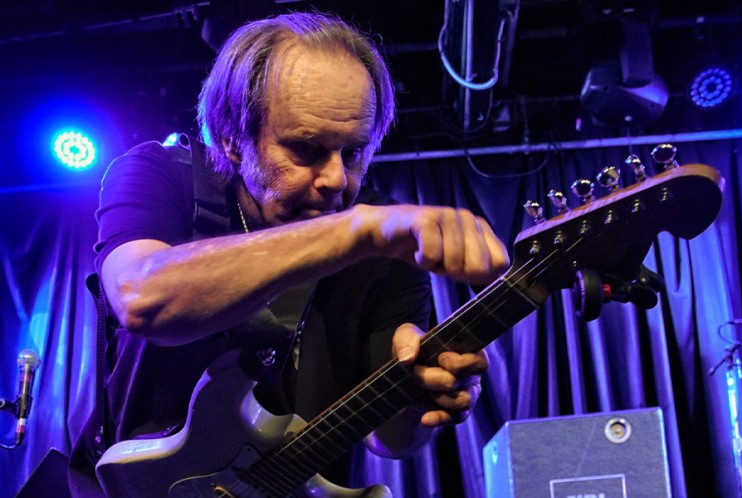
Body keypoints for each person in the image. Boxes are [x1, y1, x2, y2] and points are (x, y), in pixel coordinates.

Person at [68, 11, 508, 497]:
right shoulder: (160, 173)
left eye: (354, 152)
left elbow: (390, 440)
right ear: (233, 139)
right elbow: (142, 298)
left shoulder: (384, 242)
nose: (337, 180)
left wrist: (419, 394)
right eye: (305, 149)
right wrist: (354, 231)